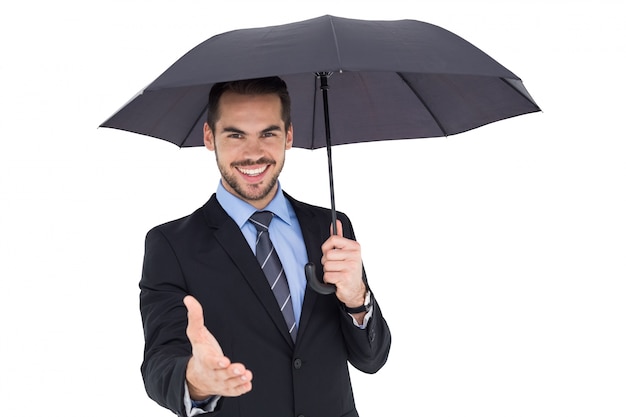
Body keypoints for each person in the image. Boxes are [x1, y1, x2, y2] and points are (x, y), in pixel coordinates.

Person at [139, 76, 392, 417]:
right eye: (235, 135)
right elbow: (159, 362)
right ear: (209, 137)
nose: (253, 153)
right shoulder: (172, 245)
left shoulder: (330, 228)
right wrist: (196, 379)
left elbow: (372, 359)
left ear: (288, 135)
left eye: (268, 133)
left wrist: (356, 299)